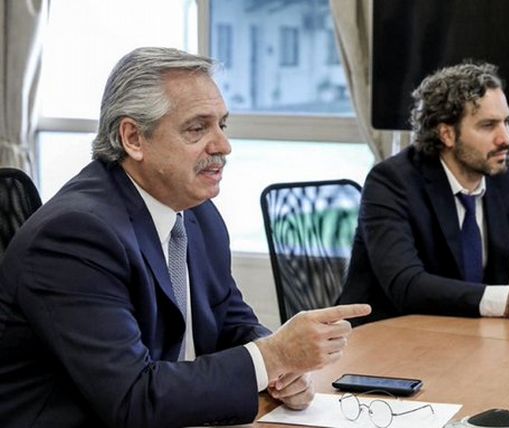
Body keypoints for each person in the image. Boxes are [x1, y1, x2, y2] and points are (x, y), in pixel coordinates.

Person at [0, 47, 371, 428]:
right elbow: (133, 399)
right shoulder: (76, 234)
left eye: (222, 125)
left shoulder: (197, 214)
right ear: (133, 138)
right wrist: (272, 356)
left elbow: (230, 321)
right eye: (197, 128)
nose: (223, 146)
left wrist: (284, 368)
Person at [338, 61, 509, 326]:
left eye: (506, 122)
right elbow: (407, 285)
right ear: (447, 134)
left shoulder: (503, 180)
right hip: (385, 338)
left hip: (465, 336)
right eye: (489, 125)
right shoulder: (391, 182)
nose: (505, 138)